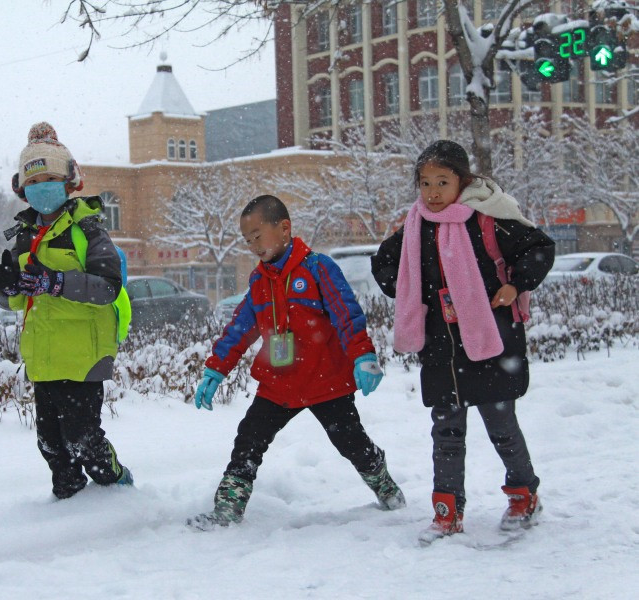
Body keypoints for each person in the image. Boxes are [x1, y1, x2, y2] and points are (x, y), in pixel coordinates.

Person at [370, 140, 555, 545]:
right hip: (440, 346)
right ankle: (446, 512)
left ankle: (524, 496)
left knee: (501, 426)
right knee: (446, 433)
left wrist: (513, 285)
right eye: (425, 183)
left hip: (491, 342)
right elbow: (384, 264)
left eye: (442, 182)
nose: (432, 193)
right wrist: (406, 291)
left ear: (462, 181)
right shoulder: (415, 226)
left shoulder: (488, 218)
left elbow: (539, 248)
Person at [188, 194, 405, 530]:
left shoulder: (318, 268)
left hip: (326, 380)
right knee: (249, 438)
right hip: (279, 384)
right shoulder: (259, 282)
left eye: (258, 235)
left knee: (351, 442)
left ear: (285, 228)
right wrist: (216, 369)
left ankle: (383, 483)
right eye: (248, 240)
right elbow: (240, 329)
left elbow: (347, 313)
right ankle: (227, 509)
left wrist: (363, 355)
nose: (253, 245)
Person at [0, 122, 132, 500]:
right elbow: (19, 300)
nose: (42, 188)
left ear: (70, 182)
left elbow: (108, 287)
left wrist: (56, 282)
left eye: (50, 178)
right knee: (52, 446)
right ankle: (69, 506)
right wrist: (5, 285)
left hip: (83, 354)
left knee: (83, 439)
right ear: (22, 188)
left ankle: (118, 488)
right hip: (44, 357)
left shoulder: (88, 230)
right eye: (34, 181)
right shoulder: (24, 236)